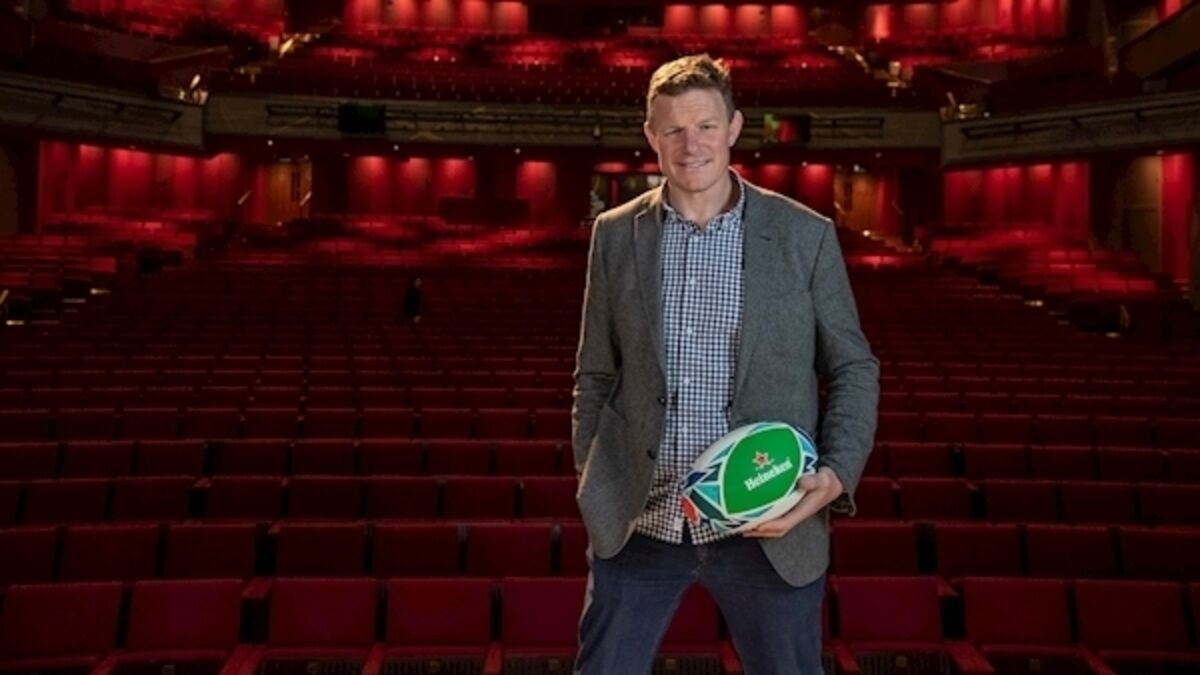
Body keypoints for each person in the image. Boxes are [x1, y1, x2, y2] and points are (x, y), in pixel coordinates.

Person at [571, 54, 879, 674]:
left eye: (707, 126)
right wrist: (597, 479)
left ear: (734, 127)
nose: (692, 146)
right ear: (652, 136)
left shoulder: (805, 235)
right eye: (674, 130)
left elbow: (853, 367)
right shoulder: (615, 234)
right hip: (642, 520)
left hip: (770, 518)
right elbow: (595, 374)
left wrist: (838, 472)